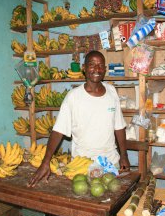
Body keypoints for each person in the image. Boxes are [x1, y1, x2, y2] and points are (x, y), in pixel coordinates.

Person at [28, 50, 130, 187]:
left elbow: (119, 127)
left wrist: (124, 156)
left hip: (111, 163)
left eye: (100, 65)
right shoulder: (73, 97)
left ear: (105, 69)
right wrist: (45, 162)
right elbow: (58, 131)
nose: (96, 69)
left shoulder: (111, 92)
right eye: (92, 64)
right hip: (83, 165)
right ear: (84, 68)